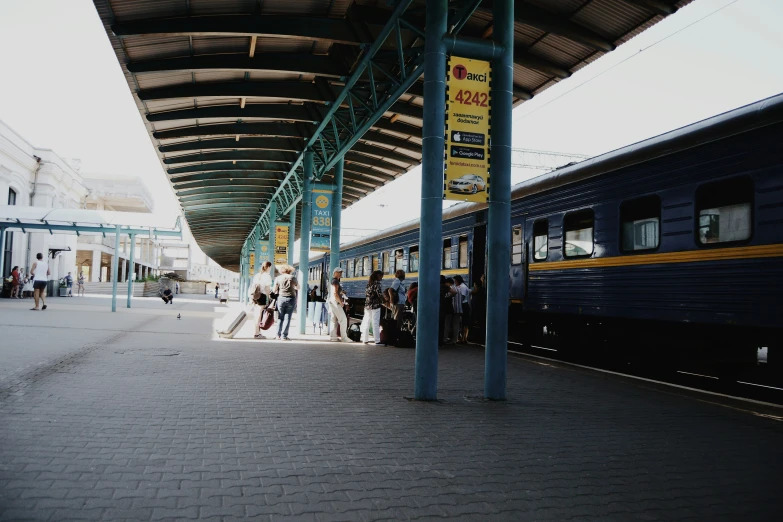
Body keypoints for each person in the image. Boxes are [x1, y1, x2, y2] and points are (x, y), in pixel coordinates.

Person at [272, 264, 298, 340]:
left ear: (281, 270)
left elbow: (274, 290)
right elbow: (298, 287)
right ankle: (284, 336)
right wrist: (293, 287)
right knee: (287, 318)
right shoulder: (292, 278)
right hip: (291, 299)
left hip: (281, 299)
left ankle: (277, 335)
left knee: (280, 317)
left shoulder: (278, 278)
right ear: (289, 270)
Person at [249, 261, 273, 339]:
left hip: (255, 296)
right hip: (262, 296)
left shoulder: (257, 275)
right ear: (268, 267)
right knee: (259, 315)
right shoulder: (267, 276)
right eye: (270, 267)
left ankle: (258, 332)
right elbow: (267, 289)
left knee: (257, 314)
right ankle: (257, 333)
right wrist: (268, 299)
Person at [327, 267, 351, 342]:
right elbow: (335, 293)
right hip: (335, 302)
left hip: (331, 301)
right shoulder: (335, 281)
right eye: (339, 272)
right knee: (343, 319)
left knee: (334, 320)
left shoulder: (333, 281)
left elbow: (335, 292)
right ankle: (344, 338)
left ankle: (333, 337)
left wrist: (341, 292)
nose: (340, 274)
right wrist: (341, 302)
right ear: (335, 273)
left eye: (341, 272)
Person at [360, 270, 384, 345]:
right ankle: (377, 340)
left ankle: (365, 339)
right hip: (375, 305)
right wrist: (384, 301)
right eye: (381, 276)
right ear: (378, 276)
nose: (382, 278)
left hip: (367, 305)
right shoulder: (377, 284)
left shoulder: (369, 283)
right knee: (375, 322)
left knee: (367, 322)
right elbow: (379, 294)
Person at [442, 278, 461, 345]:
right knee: (456, 325)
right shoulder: (458, 288)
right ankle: (454, 340)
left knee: (447, 324)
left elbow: (449, 297)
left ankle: (444, 339)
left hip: (450, 309)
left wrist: (448, 297)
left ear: (448, 283)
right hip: (458, 309)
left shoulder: (450, 289)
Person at [454, 275, 471, 343]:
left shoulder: (463, 287)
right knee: (463, 322)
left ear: (458, 280)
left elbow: (462, 297)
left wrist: (458, 306)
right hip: (463, 305)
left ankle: (464, 338)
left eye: (455, 281)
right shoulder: (461, 286)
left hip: (464, 305)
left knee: (464, 322)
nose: (455, 282)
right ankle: (462, 338)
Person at [390, 270, 407, 338]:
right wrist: (392, 300)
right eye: (403, 273)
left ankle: (397, 333)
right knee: (397, 319)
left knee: (399, 319)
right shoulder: (397, 281)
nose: (404, 274)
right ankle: (396, 334)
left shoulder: (400, 282)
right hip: (398, 303)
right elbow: (390, 290)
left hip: (401, 302)